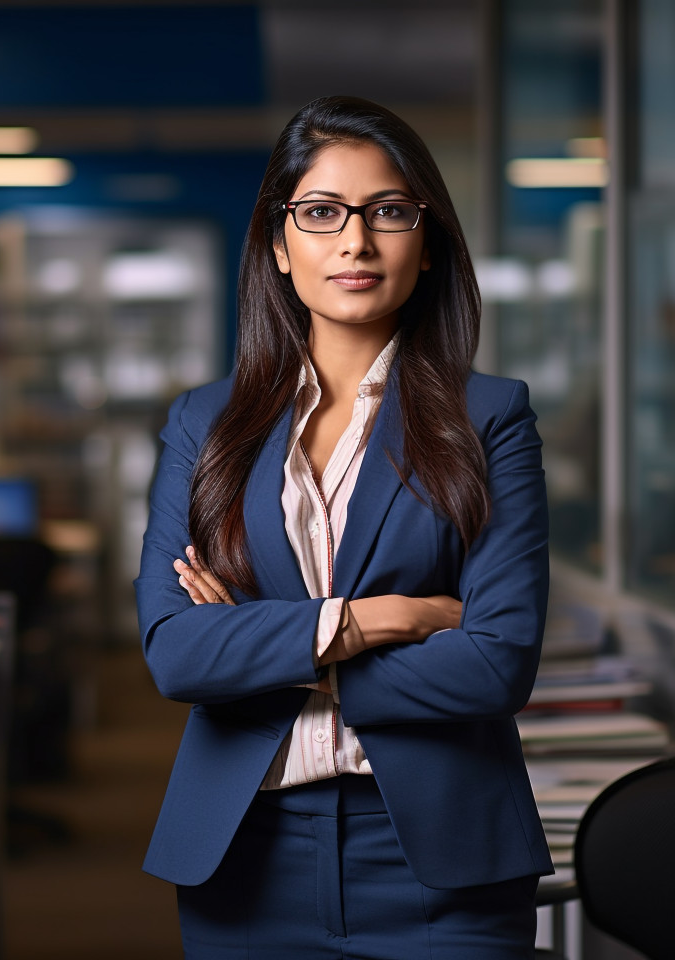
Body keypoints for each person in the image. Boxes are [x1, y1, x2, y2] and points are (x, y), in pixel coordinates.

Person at [134, 95, 553, 960]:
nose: (355, 242)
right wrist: (374, 620)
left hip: (443, 869)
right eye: (321, 214)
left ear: (427, 242)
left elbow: (495, 663)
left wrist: (265, 650)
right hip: (247, 860)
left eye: (388, 213)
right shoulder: (203, 425)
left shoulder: (490, 418)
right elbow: (176, 652)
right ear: (281, 246)